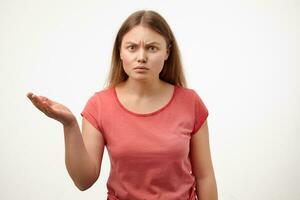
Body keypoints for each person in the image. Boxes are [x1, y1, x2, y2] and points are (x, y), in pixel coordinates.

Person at [26, 10, 218, 200]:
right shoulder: (99, 105)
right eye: (132, 47)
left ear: (167, 52)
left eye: (152, 48)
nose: (141, 57)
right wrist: (69, 125)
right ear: (120, 51)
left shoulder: (190, 103)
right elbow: (84, 180)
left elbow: (205, 176)